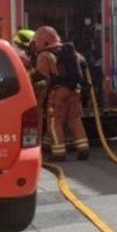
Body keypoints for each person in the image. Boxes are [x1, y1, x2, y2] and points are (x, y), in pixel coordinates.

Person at [34, 25, 89, 162]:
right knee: (75, 120)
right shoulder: (72, 53)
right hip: (75, 91)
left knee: (55, 122)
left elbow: (40, 75)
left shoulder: (44, 56)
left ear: (42, 41)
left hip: (58, 92)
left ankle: (59, 153)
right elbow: (84, 65)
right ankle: (83, 149)